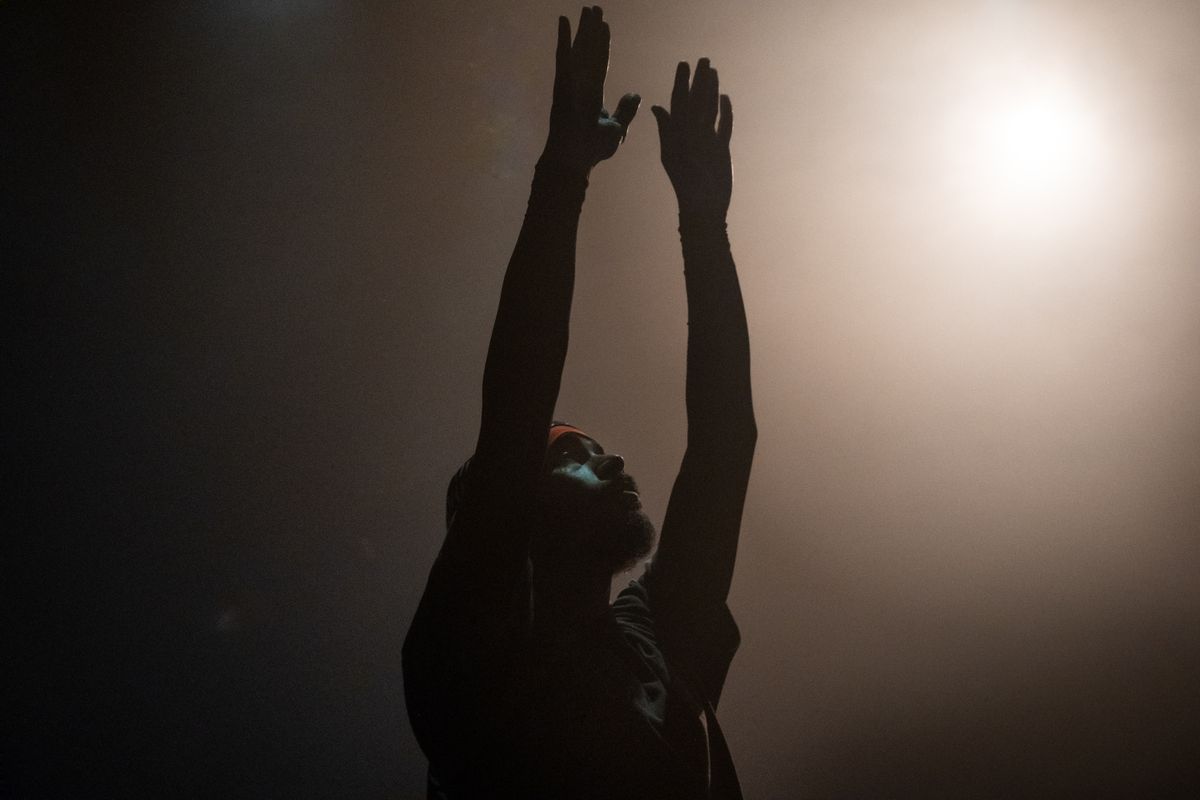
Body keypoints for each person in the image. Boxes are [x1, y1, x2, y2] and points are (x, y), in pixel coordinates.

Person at [403, 7, 756, 798]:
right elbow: (518, 395)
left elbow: (724, 443)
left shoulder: (652, 636)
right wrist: (560, 177)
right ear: (510, 508)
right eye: (572, 454)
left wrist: (706, 226)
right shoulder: (475, 653)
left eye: (594, 449)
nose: (614, 458)